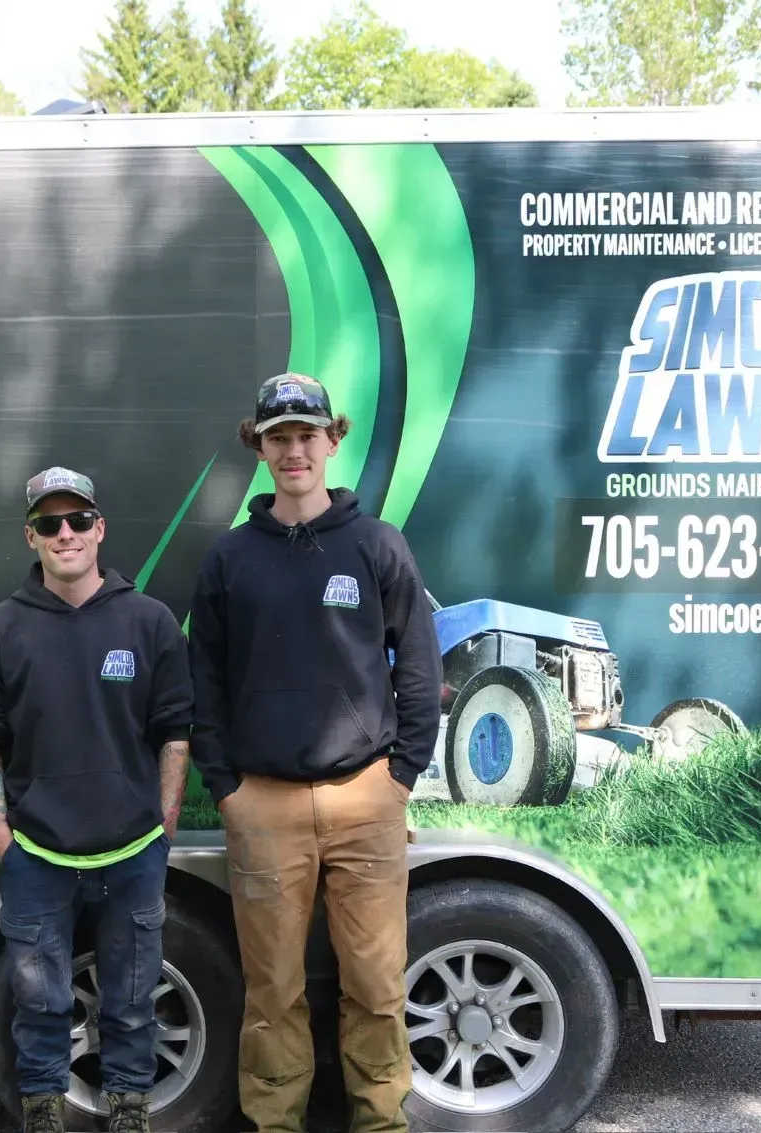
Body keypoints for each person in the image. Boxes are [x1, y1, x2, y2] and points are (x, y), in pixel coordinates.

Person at [187, 373, 441, 1133]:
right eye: (278, 438)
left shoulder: (375, 544)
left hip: (367, 796)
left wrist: (400, 776)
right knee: (273, 989)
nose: (294, 451)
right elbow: (204, 682)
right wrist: (226, 786)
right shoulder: (229, 559)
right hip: (262, 802)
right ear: (258, 447)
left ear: (334, 439)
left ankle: (381, 1119)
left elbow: (420, 667)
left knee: (374, 983)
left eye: (307, 435)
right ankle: (275, 1121)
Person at [0, 466, 194, 1133]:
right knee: (39, 999)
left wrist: (162, 827)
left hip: (134, 850)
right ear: (30, 536)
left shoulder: (148, 622)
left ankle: (128, 1106)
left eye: (78, 519)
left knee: (134, 997)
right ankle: (42, 1108)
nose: (66, 533)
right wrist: (5, 837)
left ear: (100, 528)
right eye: (50, 522)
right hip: (36, 853)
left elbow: (175, 731)